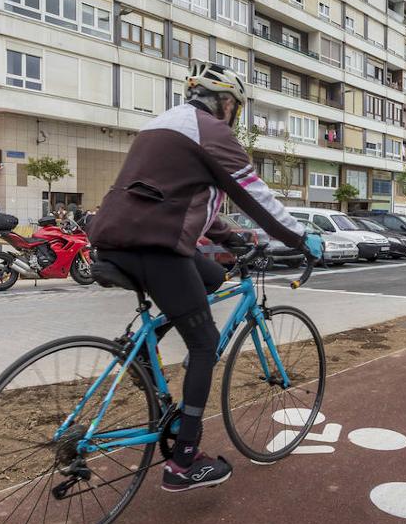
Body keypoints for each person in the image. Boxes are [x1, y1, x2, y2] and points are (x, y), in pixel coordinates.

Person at [88, 61, 323, 493]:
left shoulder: (158, 126)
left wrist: (231, 238)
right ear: (226, 102)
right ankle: (184, 461)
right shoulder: (211, 131)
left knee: (212, 276)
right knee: (204, 343)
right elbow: (252, 191)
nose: (233, 115)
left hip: (114, 239)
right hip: (155, 248)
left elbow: (181, 198)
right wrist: (302, 237)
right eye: (235, 107)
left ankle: (147, 348)